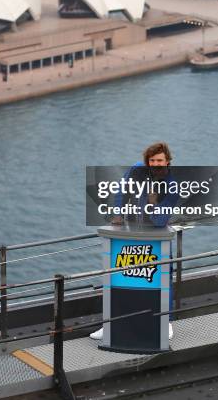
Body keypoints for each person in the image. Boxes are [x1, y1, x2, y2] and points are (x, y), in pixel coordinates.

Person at [90, 142, 178, 341]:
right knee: (118, 276)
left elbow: (159, 221)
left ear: (167, 161)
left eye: (160, 161)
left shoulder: (172, 186)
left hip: (157, 238)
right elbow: (122, 191)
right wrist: (119, 214)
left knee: (163, 279)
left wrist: (153, 203)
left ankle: (166, 322)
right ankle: (111, 323)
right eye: (152, 160)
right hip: (130, 234)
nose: (155, 164)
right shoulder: (137, 169)